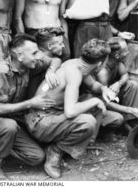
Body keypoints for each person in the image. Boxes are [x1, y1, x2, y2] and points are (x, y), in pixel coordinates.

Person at [25, 39, 111, 179]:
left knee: (96, 101)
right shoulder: (74, 73)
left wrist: (103, 88)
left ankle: (75, 145)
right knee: (87, 120)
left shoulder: (78, 64)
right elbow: (70, 111)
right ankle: (55, 151)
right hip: (40, 122)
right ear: (101, 63)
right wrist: (95, 100)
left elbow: (93, 84)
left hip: (51, 114)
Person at [0, 34, 55, 179]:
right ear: (19, 56)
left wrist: (51, 70)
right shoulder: (2, 71)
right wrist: (30, 103)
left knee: (36, 157)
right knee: (9, 126)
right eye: (34, 53)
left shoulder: (28, 65)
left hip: (8, 120)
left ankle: (2, 146)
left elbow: (55, 60)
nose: (39, 56)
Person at [84, 37, 138, 131]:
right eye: (126, 51)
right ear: (117, 55)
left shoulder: (117, 62)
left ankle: (131, 122)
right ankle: (106, 129)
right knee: (118, 118)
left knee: (132, 85)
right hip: (98, 104)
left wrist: (118, 84)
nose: (128, 53)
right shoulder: (103, 73)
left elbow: (125, 74)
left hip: (110, 98)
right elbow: (105, 102)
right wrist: (130, 110)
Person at [27, 29, 64, 98]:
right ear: (49, 46)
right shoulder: (39, 57)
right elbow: (56, 60)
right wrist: (51, 71)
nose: (63, 46)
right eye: (60, 43)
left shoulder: (47, 56)